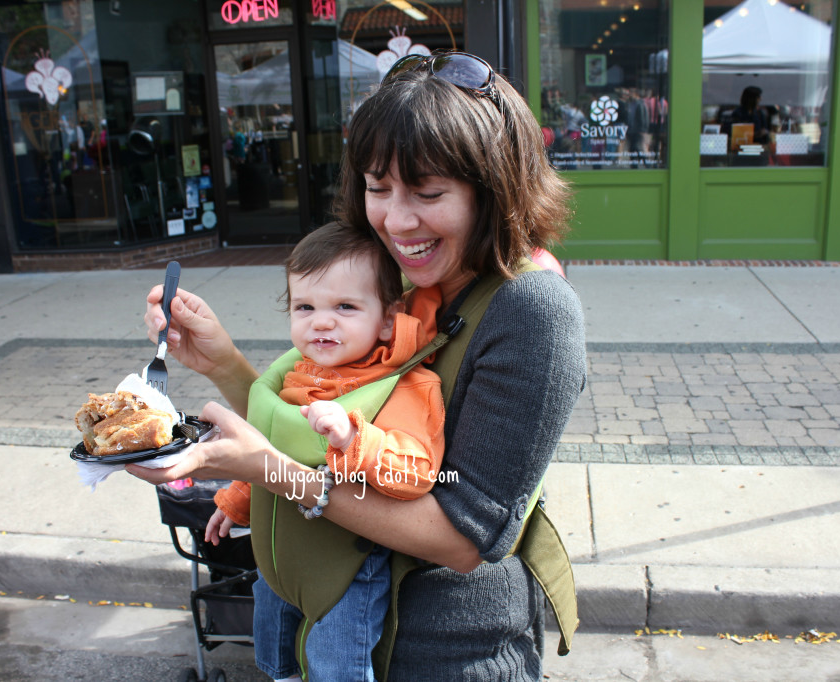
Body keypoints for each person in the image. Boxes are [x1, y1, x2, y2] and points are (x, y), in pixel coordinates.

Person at [129, 51, 587, 680]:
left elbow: (462, 535)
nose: (397, 221)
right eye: (378, 188)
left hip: (441, 654)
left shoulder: (531, 311)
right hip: (324, 626)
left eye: (428, 193)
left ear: (494, 190)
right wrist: (223, 364)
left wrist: (271, 472)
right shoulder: (397, 280)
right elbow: (316, 420)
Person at [204, 220, 446, 681]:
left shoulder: (405, 385)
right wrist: (237, 500)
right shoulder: (298, 374)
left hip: (346, 565)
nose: (321, 320)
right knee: (272, 647)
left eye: (346, 306)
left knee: (337, 663)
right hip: (280, 553)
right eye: (305, 306)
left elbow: (417, 472)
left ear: (388, 318)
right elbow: (271, 448)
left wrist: (357, 440)